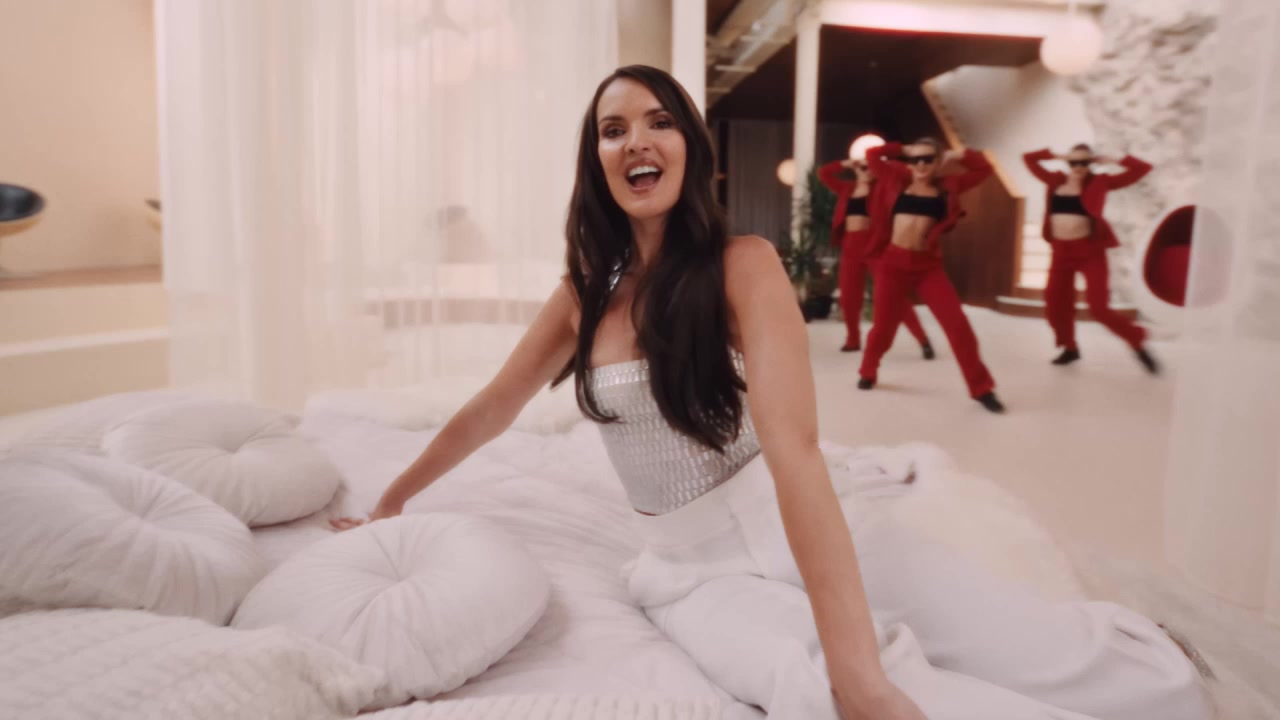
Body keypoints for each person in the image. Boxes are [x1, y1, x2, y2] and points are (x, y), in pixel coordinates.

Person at [332, 66, 1210, 720]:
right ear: (596, 161)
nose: (636, 141)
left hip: (791, 515)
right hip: (687, 575)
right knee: (831, 691)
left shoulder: (743, 265)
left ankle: (1156, 673)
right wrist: (392, 501)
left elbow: (795, 453)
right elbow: (492, 408)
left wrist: (857, 662)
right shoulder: (582, 296)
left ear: (690, 147)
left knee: (1037, 647)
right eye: (612, 129)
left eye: (659, 121)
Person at [858, 139, 1005, 413]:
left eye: (928, 159)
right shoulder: (896, 178)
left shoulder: (949, 186)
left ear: (938, 162)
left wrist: (958, 154)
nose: (921, 164)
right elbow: (873, 154)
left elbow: (984, 169)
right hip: (892, 263)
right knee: (883, 329)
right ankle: (868, 369)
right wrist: (902, 150)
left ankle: (981, 388)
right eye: (916, 159)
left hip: (927, 267)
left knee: (958, 326)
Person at [1023, 145, 1158, 372]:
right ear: (1068, 163)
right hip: (1060, 252)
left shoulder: (1099, 182)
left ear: (1091, 163)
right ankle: (1070, 347)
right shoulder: (1055, 180)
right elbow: (1028, 158)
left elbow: (1142, 169)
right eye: (1073, 162)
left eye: (1084, 162)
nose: (1078, 167)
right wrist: (1056, 155)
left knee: (1099, 308)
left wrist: (1114, 159)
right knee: (1054, 304)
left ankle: (1137, 341)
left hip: (1089, 251)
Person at [819, 156, 934, 357]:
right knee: (849, 297)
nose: (867, 171)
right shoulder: (847, 188)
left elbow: (904, 173)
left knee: (894, 296)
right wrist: (846, 163)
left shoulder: (881, 187)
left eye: (871, 168)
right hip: (850, 246)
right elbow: (824, 173)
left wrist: (881, 162)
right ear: (856, 169)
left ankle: (923, 339)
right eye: (863, 167)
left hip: (874, 246)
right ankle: (853, 340)